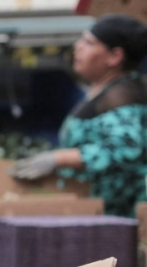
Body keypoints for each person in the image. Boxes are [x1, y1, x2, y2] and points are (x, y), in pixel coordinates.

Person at [12, 14, 147, 217]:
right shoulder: (104, 90)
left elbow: (127, 148)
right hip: (93, 215)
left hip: (117, 222)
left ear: (115, 57)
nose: (78, 47)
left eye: (89, 43)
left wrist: (60, 158)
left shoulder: (124, 96)